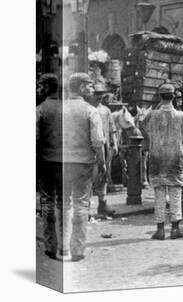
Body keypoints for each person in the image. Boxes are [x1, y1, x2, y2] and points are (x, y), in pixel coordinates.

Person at [56, 73, 105, 261]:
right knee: (81, 205)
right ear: (82, 87)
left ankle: (62, 248)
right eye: (90, 86)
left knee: (64, 205)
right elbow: (98, 141)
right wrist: (102, 162)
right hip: (83, 164)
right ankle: (77, 249)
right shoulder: (91, 111)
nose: (92, 89)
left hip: (61, 162)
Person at [141, 84, 183, 240]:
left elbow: (142, 126)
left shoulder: (152, 115)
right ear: (174, 97)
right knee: (176, 194)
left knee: (159, 195)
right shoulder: (181, 115)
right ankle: (175, 229)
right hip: (175, 159)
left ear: (159, 97)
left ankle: (160, 230)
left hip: (157, 159)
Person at [36, 74, 62, 259]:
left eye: (40, 86)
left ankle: (51, 245)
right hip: (66, 162)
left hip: (46, 162)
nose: (38, 89)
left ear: (46, 87)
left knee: (47, 202)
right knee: (64, 203)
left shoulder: (39, 110)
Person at [89, 83, 118, 217]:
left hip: (105, 147)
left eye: (101, 94)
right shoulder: (88, 109)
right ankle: (87, 208)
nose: (99, 97)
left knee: (104, 175)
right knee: (90, 176)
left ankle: (103, 204)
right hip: (90, 147)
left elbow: (112, 128)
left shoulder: (106, 110)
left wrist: (115, 143)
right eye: (96, 94)